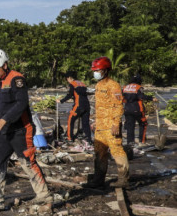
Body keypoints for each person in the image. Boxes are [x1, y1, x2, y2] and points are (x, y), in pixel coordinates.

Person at [0, 49, 51, 210]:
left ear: (5, 65)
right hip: (5, 131)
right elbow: (6, 103)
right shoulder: (1, 81)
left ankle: (43, 195)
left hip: (21, 130)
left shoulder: (17, 79)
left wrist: (4, 118)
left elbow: (21, 103)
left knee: (27, 162)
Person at [85, 56, 129, 188]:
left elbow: (118, 105)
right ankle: (98, 180)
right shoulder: (98, 85)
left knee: (117, 151)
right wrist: (95, 122)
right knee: (99, 152)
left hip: (111, 126)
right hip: (100, 126)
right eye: (95, 70)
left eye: (98, 70)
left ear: (105, 70)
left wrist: (116, 123)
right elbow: (100, 106)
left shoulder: (113, 85)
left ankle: (123, 179)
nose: (96, 72)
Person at [56, 70, 91, 143]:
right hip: (87, 106)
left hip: (79, 106)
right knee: (86, 123)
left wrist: (61, 101)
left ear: (69, 78)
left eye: (67, 79)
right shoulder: (82, 83)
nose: (67, 80)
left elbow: (70, 95)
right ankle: (89, 140)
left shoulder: (72, 84)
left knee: (70, 120)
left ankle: (70, 138)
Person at [122, 74, 156, 146]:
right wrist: (152, 98)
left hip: (127, 109)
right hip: (137, 109)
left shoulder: (125, 87)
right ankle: (141, 141)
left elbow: (122, 98)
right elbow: (141, 96)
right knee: (143, 124)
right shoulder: (138, 87)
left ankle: (130, 143)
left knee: (130, 126)